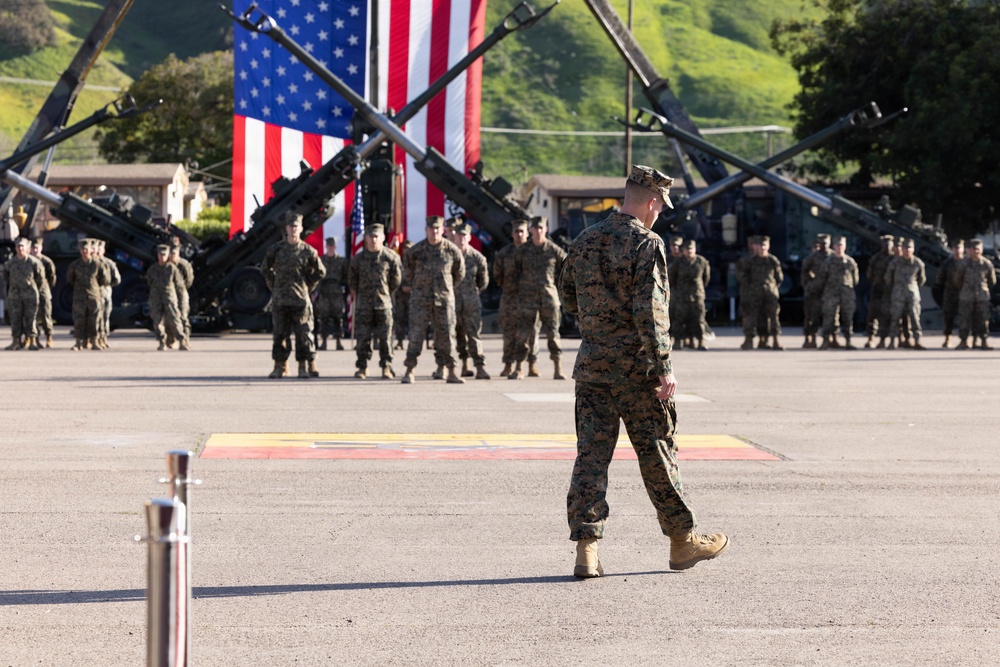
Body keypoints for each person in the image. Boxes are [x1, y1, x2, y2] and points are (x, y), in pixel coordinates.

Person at [559, 164, 728, 578]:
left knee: (591, 458)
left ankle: (587, 549)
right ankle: (682, 542)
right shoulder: (645, 242)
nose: (660, 214)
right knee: (657, 454)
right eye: (660, 206)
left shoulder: (585, 239)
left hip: (594, 368)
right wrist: (663, 368)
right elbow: (650, 313)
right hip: (637, 371)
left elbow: (567, 297)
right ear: (651, 201)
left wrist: (599, 327)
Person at [400, 215, 465, 384]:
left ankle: (451, 371)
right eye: (431, 228)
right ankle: (409, 370)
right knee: (416, 335)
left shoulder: (452, 250)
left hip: (444, 301)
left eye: (438, 228)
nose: (434, 231)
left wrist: (447, 289)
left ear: (443, 230)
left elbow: (459, 274)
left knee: (447, 337)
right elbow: (407, 271)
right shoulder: (416, 251)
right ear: (426, 230)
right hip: (420, 301)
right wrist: (418, 286)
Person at [262, 213, 326, 378]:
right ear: (286, 229)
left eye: (296, 226)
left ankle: (303, 367)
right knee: (279, 335)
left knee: (303, 335)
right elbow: (265, 269)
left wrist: (307, 287)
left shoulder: (308, 251)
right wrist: (274, 286)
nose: (293, 229)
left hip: (300, 301)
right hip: (280, 301)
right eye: (291, 226)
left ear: (301, 229)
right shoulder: (276, 249)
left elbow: (320, 272)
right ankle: (279, 366)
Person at [508, 216, 567, 379]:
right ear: (531, 230)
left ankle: (558, 368)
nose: (539, 231)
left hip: (549, 298)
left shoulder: (554, 250)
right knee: (523, 334)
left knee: (553, 334)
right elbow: (514, 273)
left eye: (541, 228)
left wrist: (560, 290)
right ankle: (519, 367)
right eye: (536, 228)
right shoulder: (522, 251)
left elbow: (567, 269)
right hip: (527, 299)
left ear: (545, 229)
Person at [348, 223, 402, 379]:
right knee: (363, 337)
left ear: (383, 238)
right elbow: (352, 280)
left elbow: (396, 280)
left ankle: (386, 366)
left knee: (386, 338)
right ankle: (362, 367)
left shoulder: (391, 257)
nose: (373, 240)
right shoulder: (358, 259)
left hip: (383, 304)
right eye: (371, 236)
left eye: (377, 237)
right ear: (365, 238)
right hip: (364, 305)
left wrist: (384, 293)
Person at [494, 219, 536, 377]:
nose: (519, 234)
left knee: (528, 333)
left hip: (528, 299)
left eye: (522, 231)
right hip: (509, 299)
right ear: (512, 233)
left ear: (527, 233)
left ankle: (526, 365)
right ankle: (508, 364)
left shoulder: (532, 251)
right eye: (516, 231)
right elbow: (497, 275)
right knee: (508, 332)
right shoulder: (505, 253)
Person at [453, 221, 491, 379]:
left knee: (474, 335)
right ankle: (464, 364)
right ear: (454, 237)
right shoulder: (450, 255)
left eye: (464, 235)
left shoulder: (477, 258)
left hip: (471, 303)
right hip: (453, 302)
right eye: (459, 235)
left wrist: (471, 294)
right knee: (457, 335)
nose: (461, 238)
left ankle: (480, 366)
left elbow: (483, 282)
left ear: (469, 237)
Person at [66, 239, 110, 351]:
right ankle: (78, 342)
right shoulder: (75, 265)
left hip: (93, 296)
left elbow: (104, 279)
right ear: (80, 251)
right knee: (78, 320)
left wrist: (94, 287)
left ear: (91, 250)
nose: (85, 251)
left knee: (94, 320)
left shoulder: (98, 264)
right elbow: (70, 279)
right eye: (82, 249)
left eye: (87, 249)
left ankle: (94, 341)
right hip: (79, 296)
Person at [816, 236, 860, 349]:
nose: (839, 247)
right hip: (831, 292)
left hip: (846, 293)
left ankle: (848, 341)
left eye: (841, 245)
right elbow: (822, 278)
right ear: (834, 247)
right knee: (829, 317)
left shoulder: (850, 262)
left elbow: (855, 279)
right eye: (837, 245)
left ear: (845, 246)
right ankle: (826, 340)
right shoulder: (828, 262)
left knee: (847, 317)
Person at [667, 238, 710, 350]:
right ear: (684, 250)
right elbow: (672, 277)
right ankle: (677, 341)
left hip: (697, 295)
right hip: (681, 295)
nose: (689, 251)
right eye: (687, 249)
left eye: (691, 249)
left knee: (699, 318)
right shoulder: (678, 263)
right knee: (679, 319)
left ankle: (701, 341)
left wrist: (699, 289)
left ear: (695, 249)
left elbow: (706, 278)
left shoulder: (701, 261)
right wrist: (678, 289)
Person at [3, 237, 45, 350]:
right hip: (15, 295)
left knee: (31, 318)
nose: (20, 248)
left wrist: (32, 288)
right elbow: (6, 277)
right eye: (18, 246)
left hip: (30, 294)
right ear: (15, 248)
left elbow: (40, 279)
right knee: (15, 318)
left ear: (27, 248)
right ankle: (15, 341)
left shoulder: (34, 262)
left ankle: (32, 341)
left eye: (22, 246)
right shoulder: (10, 263)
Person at [954, 239, 996, 350]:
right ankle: (963, 341)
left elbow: (992, 281)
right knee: (964, 319)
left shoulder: (987, 264)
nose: (976, 251)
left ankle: (983, 341)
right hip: (967, 296)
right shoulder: (963, 264)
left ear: (981, 250)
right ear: (969, 250)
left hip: (982, 297)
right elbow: (958, 280)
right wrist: (965, 289)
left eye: (978, 249)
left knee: (983, 319)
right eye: (974, 249)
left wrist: (983, 289)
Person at [885, 238, 926, 350]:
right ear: (901, 249)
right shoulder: (895, 262)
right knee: (895, 317)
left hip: (912, 293)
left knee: (914, 317)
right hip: (898, 293)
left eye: (910, 248)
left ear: (913, 249)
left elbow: (921, 279)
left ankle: (917, 340)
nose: (907, 250)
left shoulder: (918, 263)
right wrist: (896, 287)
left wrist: (912, 287)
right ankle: (892, 341)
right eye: (905, 248)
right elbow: (888, 278)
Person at [146, 244, 188, 351]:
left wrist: (178, 299)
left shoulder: (172, 269)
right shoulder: (152, 269)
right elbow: (149, 282)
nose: (162, 257)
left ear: (168, 255)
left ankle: (181, 340)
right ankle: (162, 341)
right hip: (156, 298)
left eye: (164, 255)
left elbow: (179, 285)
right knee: (157, 320)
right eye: (160, 255)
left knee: (175, 319)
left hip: (169, 298)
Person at [746, 235, 784, 350]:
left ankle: (776, 340)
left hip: (770, 294)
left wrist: (771, 287)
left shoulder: (773, 260)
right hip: (754, 293)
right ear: (756, 247)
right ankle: (749, 340)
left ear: (768, 246)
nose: (762, 248)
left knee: (773, 317)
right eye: (760, 245)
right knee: (752, 317)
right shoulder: (751, 261)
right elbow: (745, 278)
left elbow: (779, 278)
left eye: (764, 245)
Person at [315, 237, 349, 351]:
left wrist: (346, 290)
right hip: (324, 292)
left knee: (338, 318)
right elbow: (317, 277)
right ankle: (323, 342)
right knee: (323, 318)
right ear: (326, 246)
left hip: (337, 292)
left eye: (332, 246)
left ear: (335, 246)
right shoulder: (321, 260)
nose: (330, 247)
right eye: (328, 245)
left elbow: (345, 276)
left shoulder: (341, 261)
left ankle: (339, 341)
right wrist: (316, 292)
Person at [800, 234, 830, 348]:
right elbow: (804, 271)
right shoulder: (812, 257)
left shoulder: (832, 256)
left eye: (825, 243)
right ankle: (811, 338)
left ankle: (831, 338)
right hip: (815, 291)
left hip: (828, 290)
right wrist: (808, 285)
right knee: (812, 315)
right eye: (821, 244)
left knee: (831, 316)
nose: (823, 246)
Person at [866, 235, 896, 348]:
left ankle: (883, 339)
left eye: (889, 245)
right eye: (884, 245)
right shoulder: (876, 258)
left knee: (886, 315)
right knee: (872, 314)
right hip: (877, 290)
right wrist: (875, 283)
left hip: (889, 291)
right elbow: (870, 274)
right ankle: (870, 338)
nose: (886, 247)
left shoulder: (895, 259)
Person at [936, 239, 965, 348]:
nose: (957, 250)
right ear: (952, 249)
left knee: (964, 316)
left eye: (959, 248)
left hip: (964, 293)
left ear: (963, 249)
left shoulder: (967, 262)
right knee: (948, 316)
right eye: (955, 248)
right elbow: (939, 278)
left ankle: (964, 339)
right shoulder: (947, 263)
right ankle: (947, 338)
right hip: (949, 293)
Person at [94, 240, 121, 350]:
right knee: (95, 317)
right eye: (96, 249)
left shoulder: (109, 263)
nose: (98, 252)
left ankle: (104, 338)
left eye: (100, 249)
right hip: (94, 294)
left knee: (105, 317)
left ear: (103, 250)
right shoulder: (92, 263)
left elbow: (117, 279)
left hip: (105, 294)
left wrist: (107, 285)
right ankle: (94, 338)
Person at [30, 239, 56, 349]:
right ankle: (34, 339)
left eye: (37, 248)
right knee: (32, 316)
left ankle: (49, 337)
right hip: (30, 291)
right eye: (33, 248)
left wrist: (46, 288)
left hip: (43, 291)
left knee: (46, 315)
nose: (35, 250)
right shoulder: (28, 261)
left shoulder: (47, 262)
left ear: (41, 248)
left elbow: (52, 277)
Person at [170, 240, 194, 347]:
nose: (172, 256)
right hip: (170, 293)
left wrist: (181, 288)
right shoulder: (167, 265)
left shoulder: (183, 265)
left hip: (181, 292)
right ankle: (172, 340)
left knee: (183, 316)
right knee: (170, 317)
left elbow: (189, 280)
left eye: (174, 253)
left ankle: (185, 340)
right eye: (171, 253)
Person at [392, 240, 413, 350]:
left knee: (413, 319)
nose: (406, 250)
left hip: (412, 295)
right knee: (399, 318)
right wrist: (400, 288)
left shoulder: (416, 262)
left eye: (409, 248)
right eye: (405, 248)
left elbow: (420, 278)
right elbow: (394, 277)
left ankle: (412, 343)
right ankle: (399, 341)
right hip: (400, 295)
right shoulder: (398, 261)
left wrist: (411, 287)